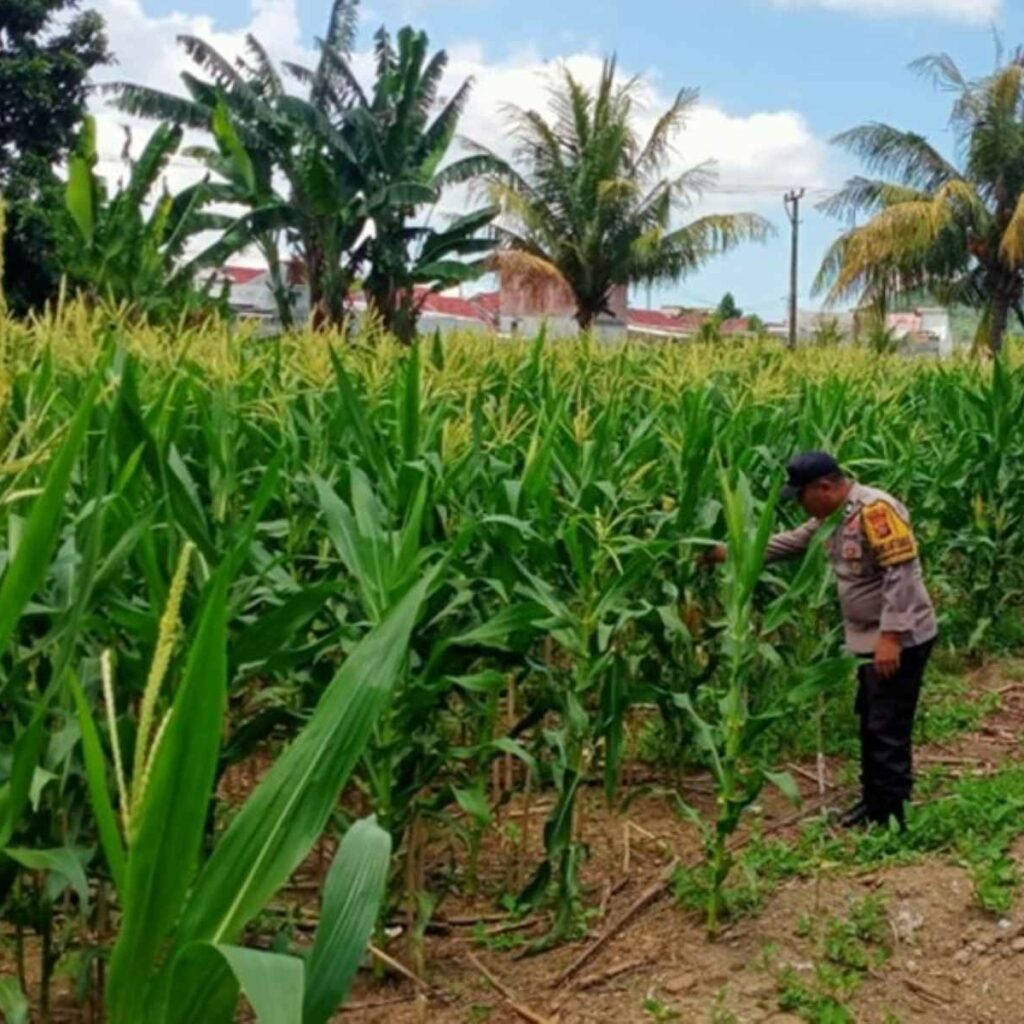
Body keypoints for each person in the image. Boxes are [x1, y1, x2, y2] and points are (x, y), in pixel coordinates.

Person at [707, 451, 937, 828]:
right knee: (870, 720)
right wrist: (725, 553)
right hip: (868, 640)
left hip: (898, 639)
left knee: (886, 725)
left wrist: (891, 637)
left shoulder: (874, 511)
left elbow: (902, 574)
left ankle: (891, 815)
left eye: (801, 497)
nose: (800, 506)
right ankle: (874, 802)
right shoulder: (833, 518)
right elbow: (789, 543)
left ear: (825, 487)